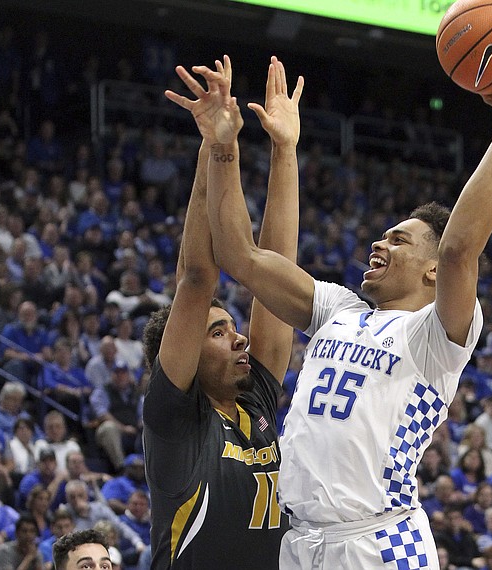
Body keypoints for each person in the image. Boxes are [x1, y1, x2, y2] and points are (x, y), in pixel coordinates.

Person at [198, 34, 492, 565]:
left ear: (431, 270)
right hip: (300, 543)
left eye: (399, 239)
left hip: (379, 543)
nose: (379, 244)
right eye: (382, 236)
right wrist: (227, 147)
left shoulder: (436, 336)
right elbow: (239, 255)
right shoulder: (338, 309)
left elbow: (458, 249)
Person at [141, 54, 302, 568]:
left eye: (232, 327)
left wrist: (284, 150)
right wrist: (218, 148)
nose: (239, 339)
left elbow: (276, 275)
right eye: (217, 331)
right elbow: (195, 277)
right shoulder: (175, 419)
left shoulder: (254, 401)